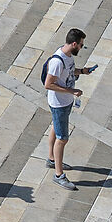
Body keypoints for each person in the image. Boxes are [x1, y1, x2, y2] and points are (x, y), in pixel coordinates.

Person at [41, 28, 95, 189]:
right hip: (59, 103)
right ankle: (59, 175)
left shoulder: (68, 56)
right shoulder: (58, 61)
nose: (81, 47)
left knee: (55, 128)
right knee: (62, 138)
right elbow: (49, 84)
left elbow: (70, 72)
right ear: (73, 44)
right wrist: (72, 91)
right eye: (80, 45)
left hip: (65, 102)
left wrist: (83, 71)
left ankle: (51, 159)